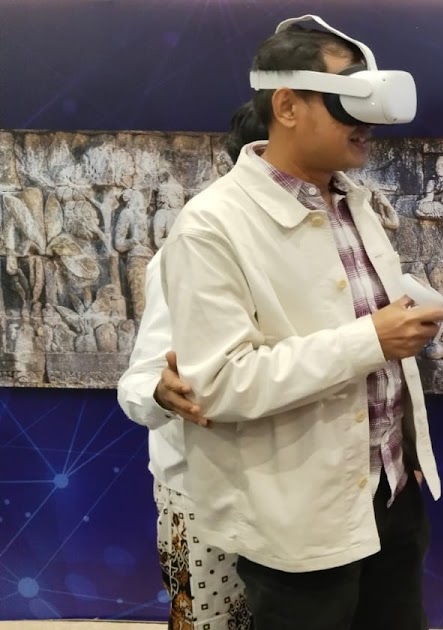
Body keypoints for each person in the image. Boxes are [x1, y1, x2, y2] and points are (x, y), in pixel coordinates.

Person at [156, 16, 443, 630]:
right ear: (287, 106)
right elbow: (221, 383)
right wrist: (371, 340)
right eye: (348, 102)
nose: (366, 123)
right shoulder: (213, 225)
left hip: (392, 495)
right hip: (299, 520)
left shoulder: (353, 203)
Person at [116, 102, 267, 630]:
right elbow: (140, 380)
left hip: (292, 489)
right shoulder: (193, 244)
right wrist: (161, 393)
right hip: (201, 489)